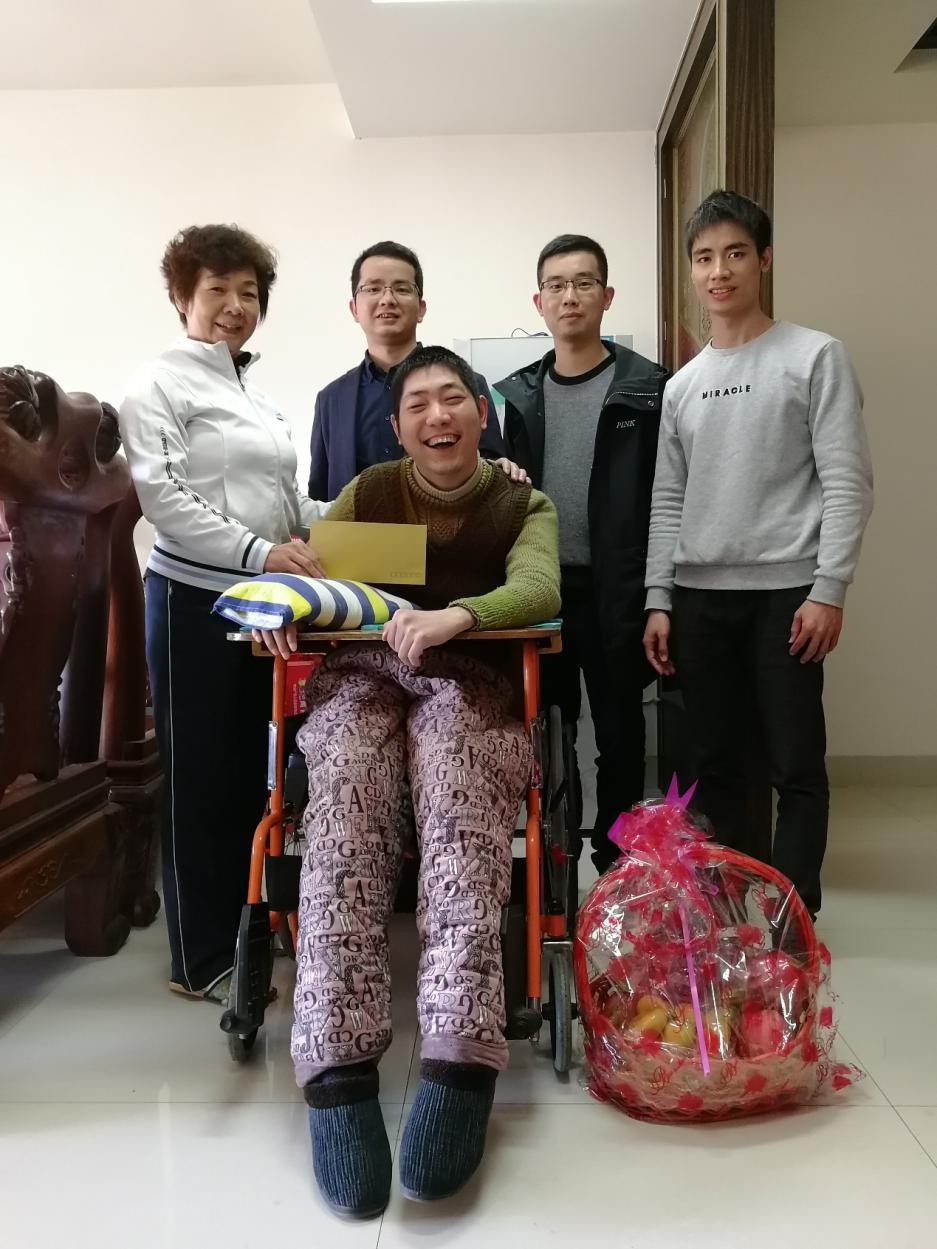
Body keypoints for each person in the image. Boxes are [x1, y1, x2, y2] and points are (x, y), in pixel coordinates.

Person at [256, 346, 560, 1218]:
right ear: (396, 427)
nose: (437, 416)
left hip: (467, 680)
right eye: (418, 404)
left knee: (461, 804)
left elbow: (538, 586)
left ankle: (460, 1054)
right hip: (361, 677)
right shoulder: (372, 490)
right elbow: (307, 565)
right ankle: (335, 1066)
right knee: (343, 812)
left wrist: (456, 617)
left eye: (452, 398)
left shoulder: (520, 501)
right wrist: (280, 592)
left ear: (480, 412)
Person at [643, 190, 873, 920]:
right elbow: (667, 499)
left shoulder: (814, 356)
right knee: (716, 766)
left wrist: (829, 587)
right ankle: (730, 924)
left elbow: (847, 480)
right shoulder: (682, 385)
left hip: (788, 596)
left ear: (764, 259)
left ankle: (791, 925)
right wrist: (658, 598)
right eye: (704, 257)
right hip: (699, 597)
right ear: (691, 270)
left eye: (735, 253)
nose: (719, 271)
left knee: (794, 765)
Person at [119, 224, 328, 1001]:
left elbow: (289, 503)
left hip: (261, 600)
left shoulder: (255, 396)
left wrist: (367, 512)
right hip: (192, 598)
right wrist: (260, 553)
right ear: (182, 297)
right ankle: (201, 958)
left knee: (251, 775)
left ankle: (249, 935)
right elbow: (163, 498)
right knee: (200, 779)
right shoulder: (157, 383)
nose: (235, 305)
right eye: (217, 290)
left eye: (248, 292)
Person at [497, 234, 669, 872]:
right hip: (542, 592)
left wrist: (659, 597)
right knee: (547, 733)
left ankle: (618, 866)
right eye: (557, 285)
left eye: (584, 283)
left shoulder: (647, 389)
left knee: (621, 737)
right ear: (538, 301)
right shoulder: (518, 396)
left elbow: (668, 496)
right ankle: (556, 861)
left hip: (617, 590)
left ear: (606, 295)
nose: (570, 296)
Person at [308, 240, 509, 501]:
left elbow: (494, 475)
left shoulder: (468, 383)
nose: (387, 299)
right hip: (353, 528)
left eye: (402, 289)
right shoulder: (331, 399)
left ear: (421, 308)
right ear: (354, 309)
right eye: (373, 288)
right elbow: (320, 495)